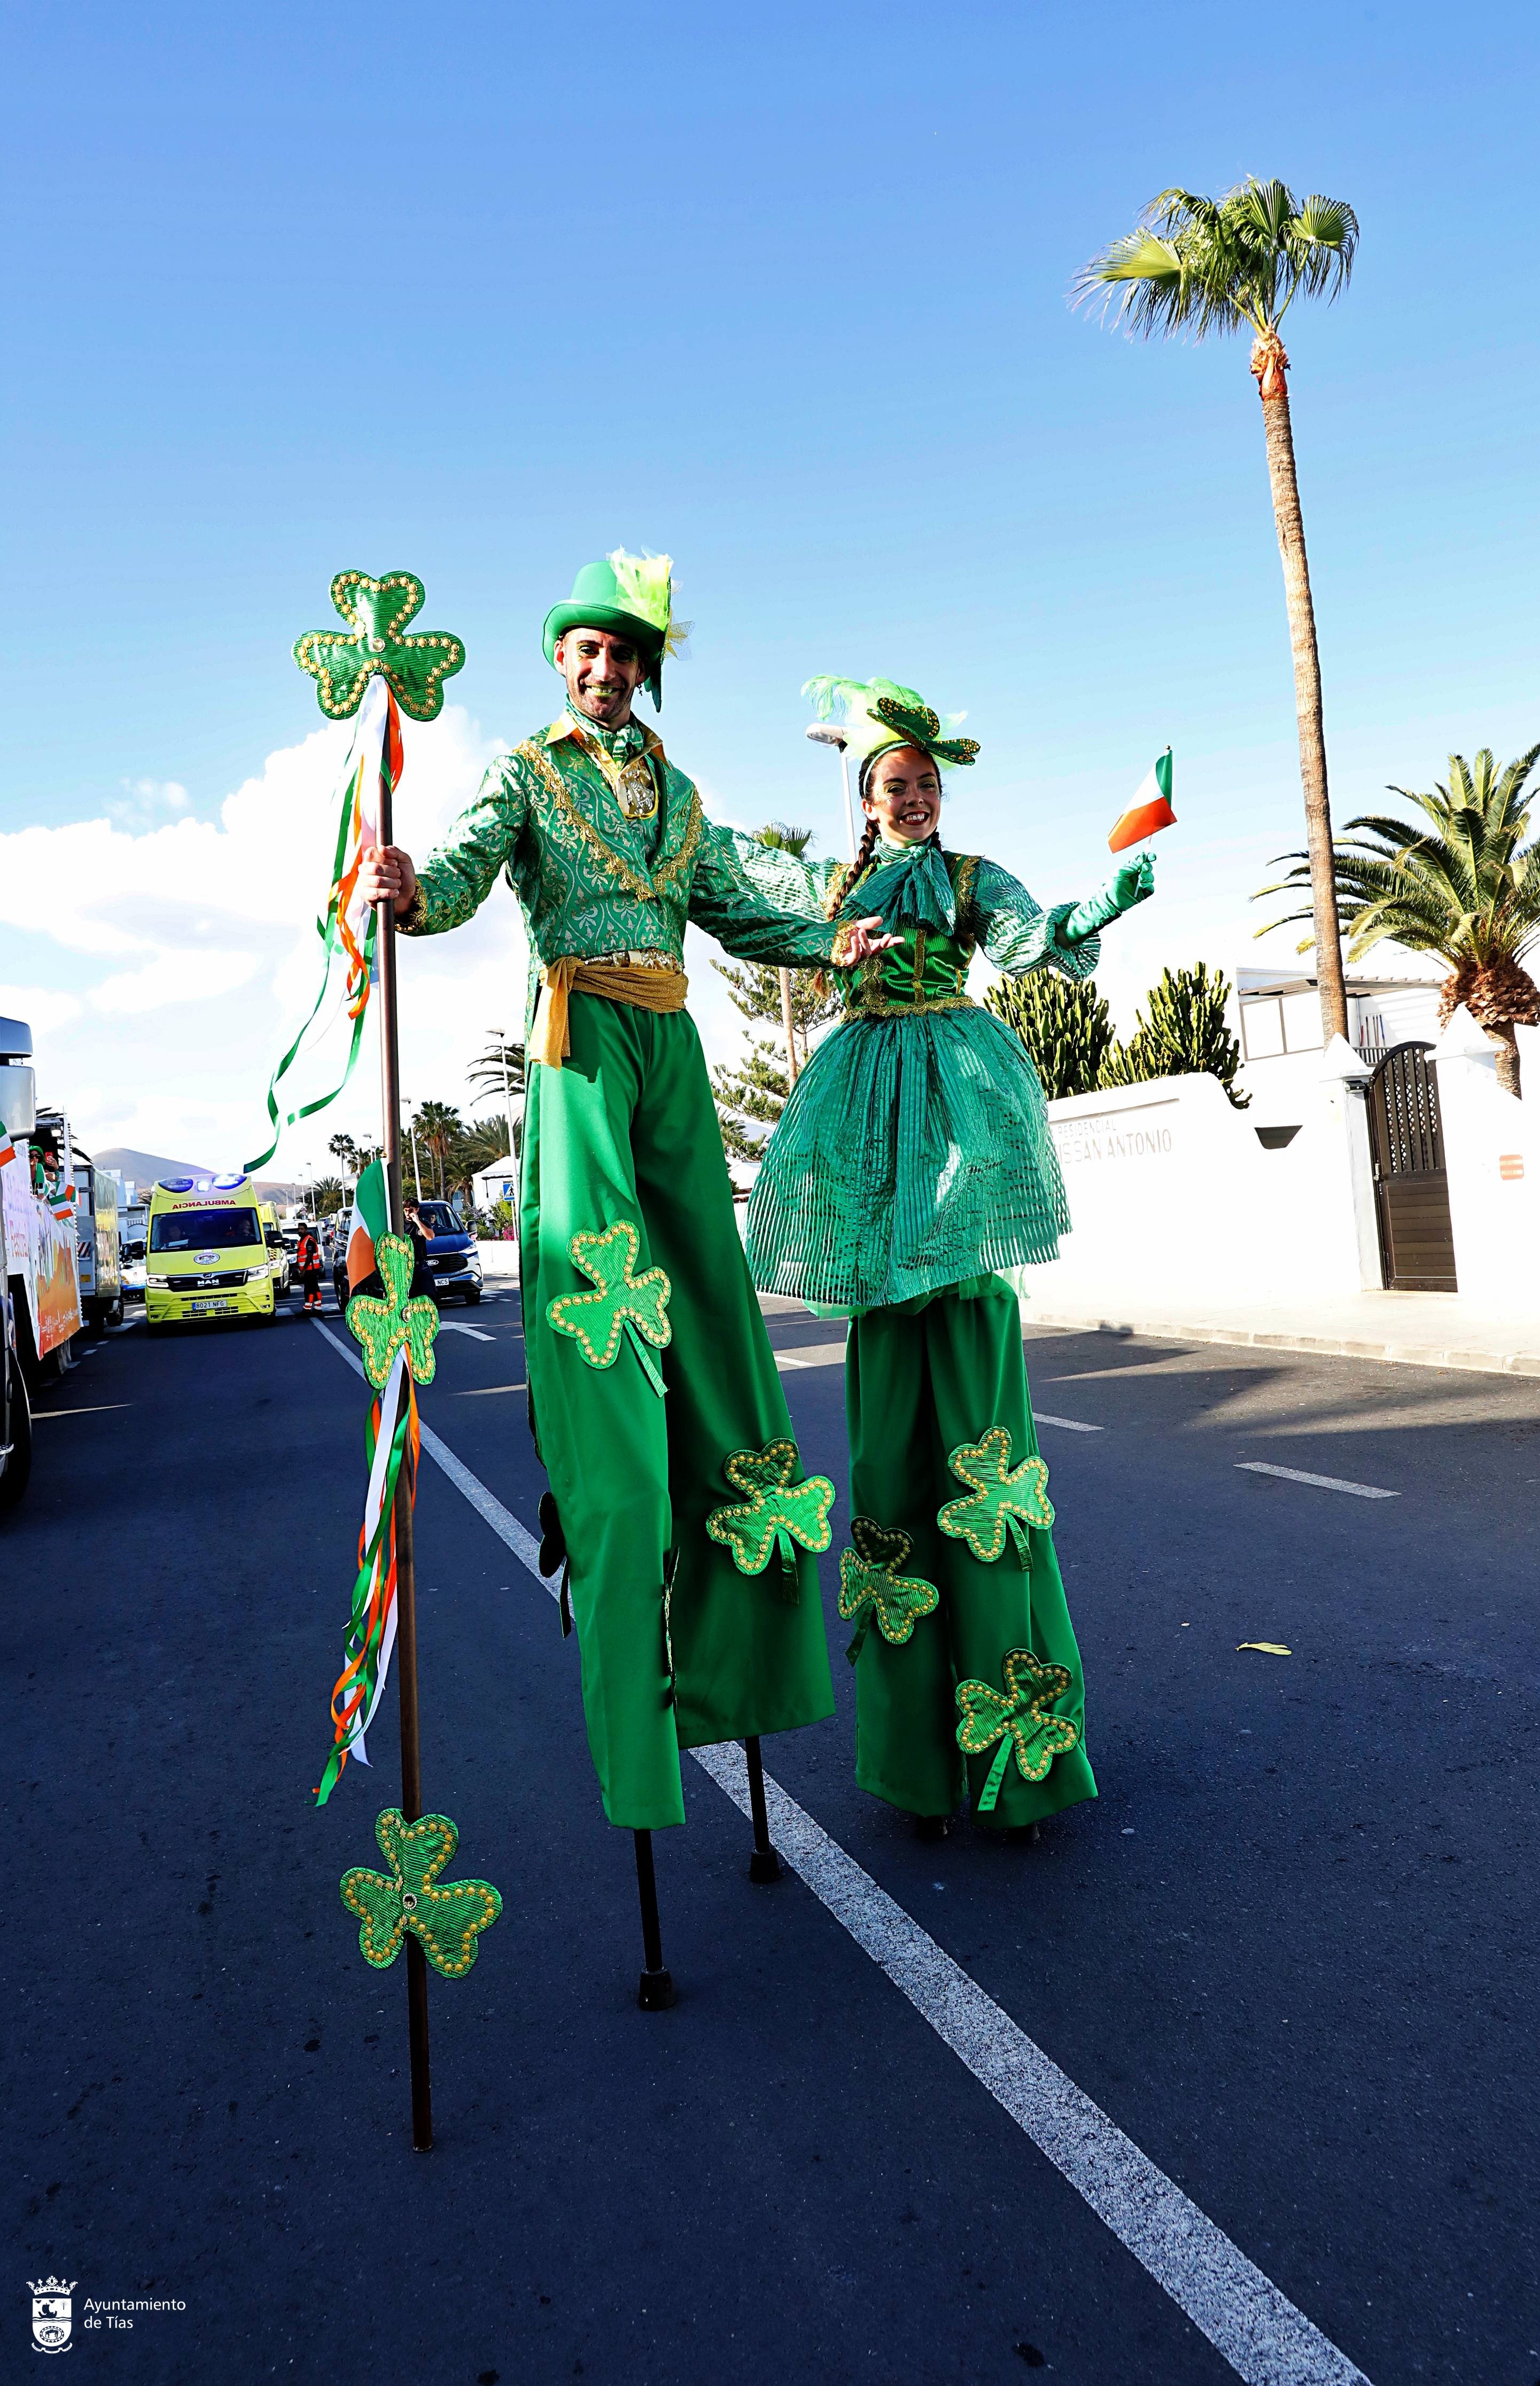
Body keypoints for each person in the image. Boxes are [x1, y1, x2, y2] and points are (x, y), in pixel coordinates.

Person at [354, 552, 897, 1993]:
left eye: (626, 652)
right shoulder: (528, 775)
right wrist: (413, 887)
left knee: (719, 1330)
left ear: (648, 667)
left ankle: (736, 1614)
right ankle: (603, 1518)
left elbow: (739, 908)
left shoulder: (683, 793)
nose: (606, 669)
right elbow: (466, 869)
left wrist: (826, 939)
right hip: (581, 1049)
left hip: (674, 1051)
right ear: (561, 663)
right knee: (607, 1323)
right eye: (587, 649)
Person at [738, 677, 1155, 1840]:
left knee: (980, 1455)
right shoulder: (831, 890)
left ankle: (1014, 1750)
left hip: (963, 1136)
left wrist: (1110, 894)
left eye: (925, 783)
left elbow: (1035, 939)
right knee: (886, 1465)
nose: (913, 798)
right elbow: (737, 891)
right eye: (893, 785)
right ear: (866, 801)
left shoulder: (975, 885)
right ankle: (919, 1759)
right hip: (870, 1158)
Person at [297, 1225, 324, 1315]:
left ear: (306, 1230)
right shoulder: (302, 1241)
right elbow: (301, 1256)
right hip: (308, 1269)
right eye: (299, 1229)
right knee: (314, 1288)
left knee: (309, 1289)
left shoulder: (309, 1240)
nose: (300, 1231)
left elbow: (309, 1257)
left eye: (302, 1229)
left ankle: (308, 1309)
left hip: (311, 1269)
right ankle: (317, 1308)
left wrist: (303, 1270)